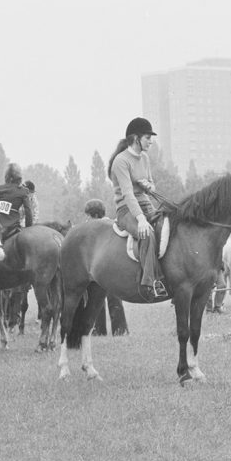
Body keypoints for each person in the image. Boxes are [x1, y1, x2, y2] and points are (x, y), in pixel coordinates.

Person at [108, 117, 166, 300]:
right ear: (136, 138)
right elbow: (128, 194)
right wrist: (141, 219)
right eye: (148, 137)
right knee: (146, 233)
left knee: (166, 226)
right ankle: (150, 283)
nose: (150, 141)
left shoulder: (145, 158)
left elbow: (152, 184)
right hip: (126, 209)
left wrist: (149, 186)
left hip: (146, 204)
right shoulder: (121, 161)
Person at [84, 199, 130, 335]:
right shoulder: (113, 223)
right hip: (113, 265)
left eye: (88, 215)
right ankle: (120, 329)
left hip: (102, 266)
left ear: (95, 215)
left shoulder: (96, 226)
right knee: (114, 298)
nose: (87, 218)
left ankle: (99, 330)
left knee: (98, 299)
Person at [0, 163, 33, 242]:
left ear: (7, 176)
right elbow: (28, 211)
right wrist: (28, 229)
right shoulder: (23, 191)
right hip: (14, 226)